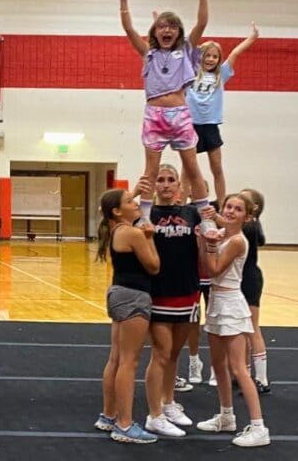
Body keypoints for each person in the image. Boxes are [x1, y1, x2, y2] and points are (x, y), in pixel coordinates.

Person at [119, 0, 214, 230]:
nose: (166, 30)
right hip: (154, 115)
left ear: (178, 32)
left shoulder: (185, 51)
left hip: (179, 114)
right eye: (161, 26)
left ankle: (205, 217)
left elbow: (202, 22)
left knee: (192, 167)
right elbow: (129, 30)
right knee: (150, 170)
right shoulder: (148, 53)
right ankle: (146, 218)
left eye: (172, 26)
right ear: (155, 32)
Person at [195, 194, 270, 447]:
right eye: (228, 206)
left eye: (237, 209)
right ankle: (227, 416)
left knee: (238, 367)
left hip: (231, 304)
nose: (230, 211)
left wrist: (210, 245)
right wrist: (201, 239)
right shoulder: (221, 234)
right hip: (216, 302)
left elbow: (215, 269)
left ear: (247, 217)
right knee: (217, 364)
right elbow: (204, 267)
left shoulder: (238, 240)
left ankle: (259, 428)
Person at [93, 180, 161, 444]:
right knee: (129, 362)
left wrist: (137, 188)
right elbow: (154, 266)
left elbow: (113, 205)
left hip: (119, 293)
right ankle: (124, 424)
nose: (136, 204)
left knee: (116, 358)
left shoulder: (115, 230)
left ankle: (108, 415)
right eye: (131, 202)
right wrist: (150, 239)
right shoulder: (132, 234)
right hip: (133, 297)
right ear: (118, 211)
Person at [143, 164, 201, 437]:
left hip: (188, 292)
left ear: (179, 184)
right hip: (159, 292)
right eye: (160, 180)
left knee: (174, 353)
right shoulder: (147, 214)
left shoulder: (192, 213)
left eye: (170, 180)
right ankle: (154, 413)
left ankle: (168, 402)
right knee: (161, 353)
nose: (165, 184)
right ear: (154, 184)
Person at [185, 24, 259, 203]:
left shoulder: (221, 74)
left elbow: (234, 54)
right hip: (191, 124)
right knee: (187, 168)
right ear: (200, 57)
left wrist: (252, 38)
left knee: (217, 167)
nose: (211, 59)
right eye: (207, 55)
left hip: (210, 124)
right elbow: (187, 47)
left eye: (215, 56)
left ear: (219, 60)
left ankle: (221, 202)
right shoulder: (190, 72)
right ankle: (180, 203)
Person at [239, 188, 269, 392]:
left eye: (243, 199)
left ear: (254, 208)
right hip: (238, 278)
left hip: (249, 278)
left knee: (252, 327)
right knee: (241, 329)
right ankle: (245, 372)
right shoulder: (247, 225)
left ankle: (261, 378)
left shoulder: (251, 226)